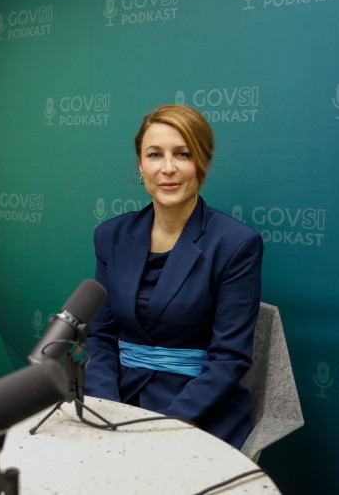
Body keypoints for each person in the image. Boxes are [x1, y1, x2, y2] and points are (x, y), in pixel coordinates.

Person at [83, 105, 263, 449]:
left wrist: (161, 425)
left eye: (183, 154)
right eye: (154, 155)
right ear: (140, 165)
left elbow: (229, 359)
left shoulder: (236, 243)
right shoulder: (111, 235)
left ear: (203, 164)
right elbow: (100, 336)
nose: (168, 168)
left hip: (197, 409)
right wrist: (106, 409)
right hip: (117, 396)